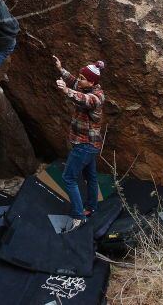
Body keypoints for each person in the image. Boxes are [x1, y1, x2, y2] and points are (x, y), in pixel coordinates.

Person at [53, 55, 106, 232]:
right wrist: (60, 69)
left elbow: (84, 99)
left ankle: (79, 216)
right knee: (91, 177)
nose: (79, 79)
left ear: (91, 82)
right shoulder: (86, 85)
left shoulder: (97, 97)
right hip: (89, 145)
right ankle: (91, 208)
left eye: (83, 78)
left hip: (85, 145)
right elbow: (74, 81)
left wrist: (66, 90)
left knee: (68, 178)